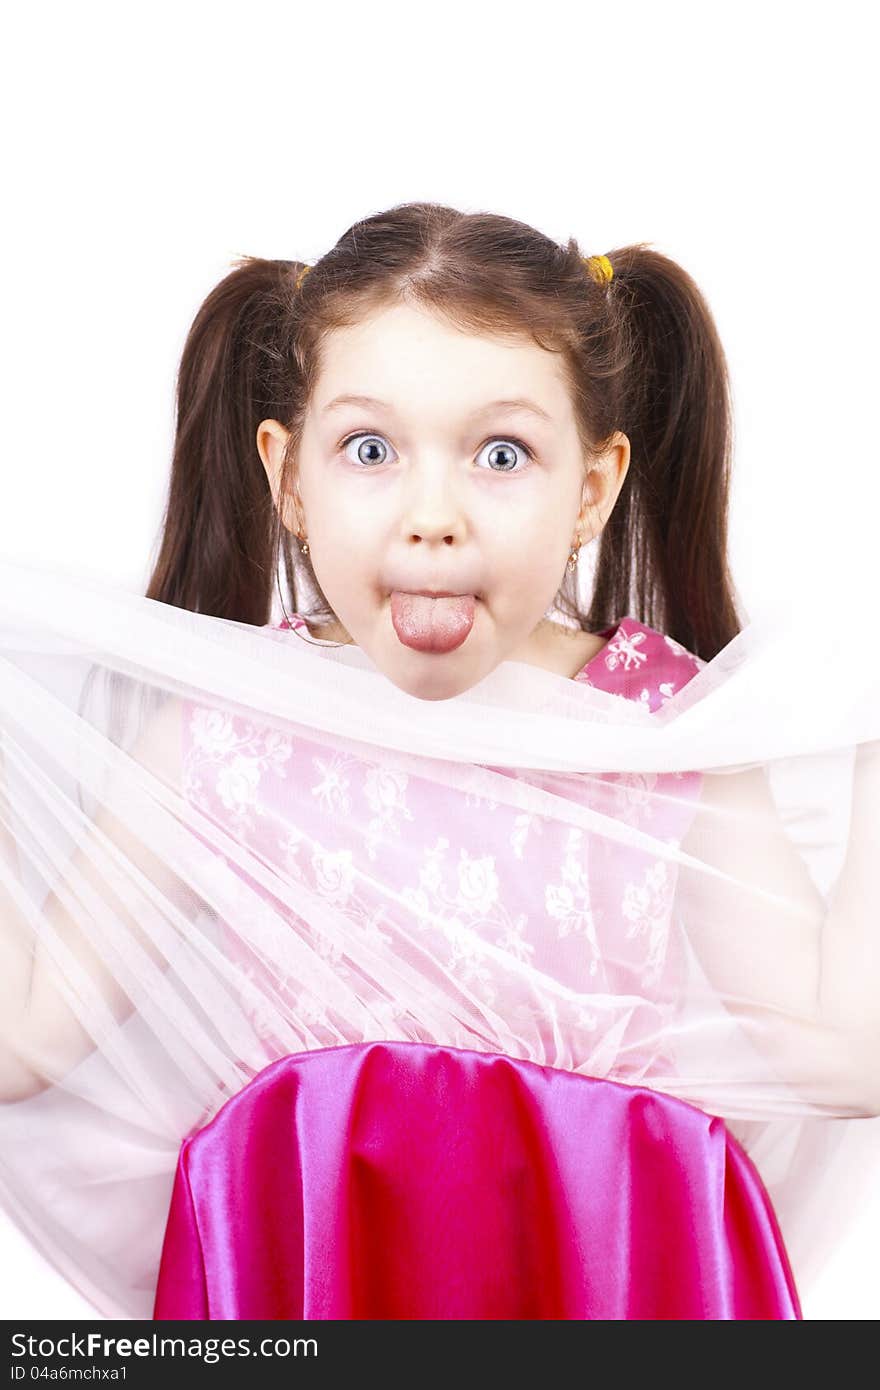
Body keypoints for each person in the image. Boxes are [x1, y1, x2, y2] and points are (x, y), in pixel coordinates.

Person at [0, 202, 878, 1320]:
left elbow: (844, 1055)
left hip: (597, 1277)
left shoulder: (658, 731)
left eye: (500, 454)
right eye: (370, 450)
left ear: (592, 489)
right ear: (291, 478)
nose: (432, 517)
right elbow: (26, 1033)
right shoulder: (221, 729)